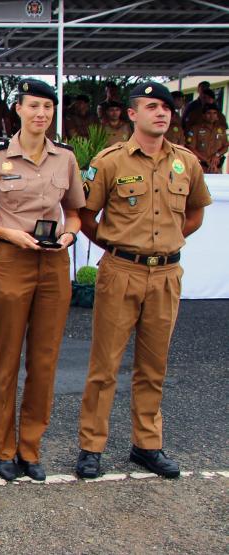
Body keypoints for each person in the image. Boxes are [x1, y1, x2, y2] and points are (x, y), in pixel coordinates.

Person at [76, 82, 211, 480]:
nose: (161, 113)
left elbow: (197, 212)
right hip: (122, 271)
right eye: (151, 106)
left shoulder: (186, 162)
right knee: (105, 366)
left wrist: (169, 242)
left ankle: (147, 445)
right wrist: (118, 246)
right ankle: (91, 446)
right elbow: (86, 215)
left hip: (167, 274)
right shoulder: (109, 161)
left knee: (154, 366)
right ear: (132, 114)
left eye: (166, 107)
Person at [0, 80, 84, 482]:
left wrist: (69, 234)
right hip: (13, 260)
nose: (41, 114)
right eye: (34, 106)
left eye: (48, 108)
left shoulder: (64, 158)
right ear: (17, 109)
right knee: (7, 357)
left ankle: (30, 447)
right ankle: (4, 447)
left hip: (54, 264)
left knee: (45, 360)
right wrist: (10, 233)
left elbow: (76, 213)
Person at [186, 104, 228, 173]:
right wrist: (206, 160)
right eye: (209, 113)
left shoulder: (221, 129)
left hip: (216, 168)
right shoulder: (195, 129)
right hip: (200, 166)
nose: (212, 116)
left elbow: (225, 146)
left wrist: (217, 155)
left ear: (217, 115)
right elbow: (190, 148)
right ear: (203, 115)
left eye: (214, 113)